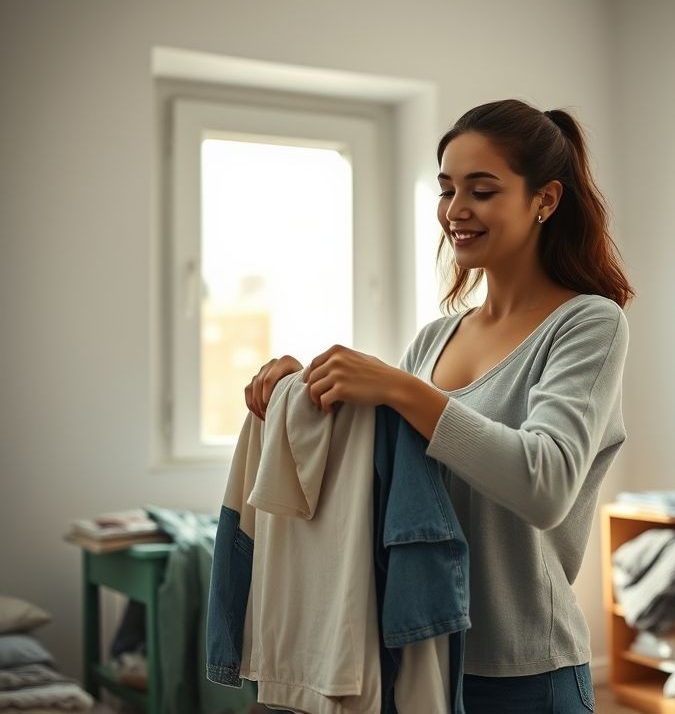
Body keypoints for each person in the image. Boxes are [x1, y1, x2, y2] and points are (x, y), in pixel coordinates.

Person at [244, 98, 633, 714]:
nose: (456, 212)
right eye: (447, 190)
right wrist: (303, 394)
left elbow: (546, 482)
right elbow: (384, 477)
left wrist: (401, 389)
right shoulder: (432, 339)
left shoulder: (588, 324)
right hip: (418, 656)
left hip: (524, 675)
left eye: (482, 190)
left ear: (545, 200)